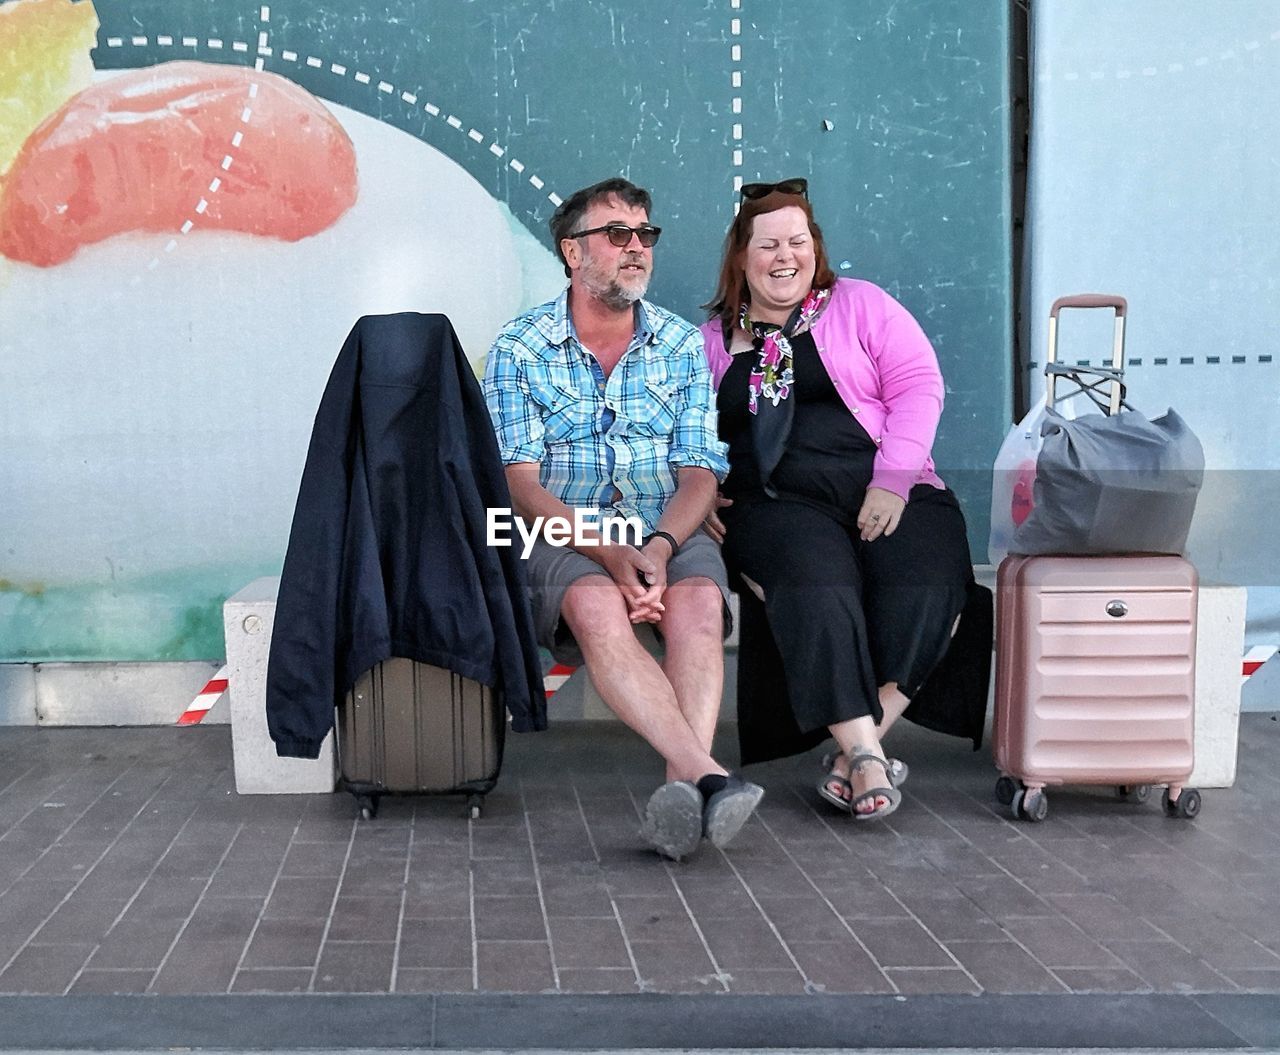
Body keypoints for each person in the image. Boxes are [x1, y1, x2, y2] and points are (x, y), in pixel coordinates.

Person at [483, 177, 764, 859]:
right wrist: (610, 554)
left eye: (645, 234)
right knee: (600, 608)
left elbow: (699, 470)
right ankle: (708, 775)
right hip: (564, 528)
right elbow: (519, 483)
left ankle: (686, 790)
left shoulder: (677, 344)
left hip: (661, 522)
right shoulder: (519, 347)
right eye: (617, 234)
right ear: (573, 253)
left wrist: (663, 547)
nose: (636, 247)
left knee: (697, 607)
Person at [700, 177, 975, 821]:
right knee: (816, 587)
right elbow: (688, 429)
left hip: (887, 484)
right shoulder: (712, 341)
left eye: (797, 241)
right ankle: (870, 758)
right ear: (742, 256)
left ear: (815, 250)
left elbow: (918, 385)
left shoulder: (860, 305)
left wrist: (893, 480)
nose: (783, 256)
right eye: (767, 244)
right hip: (776, 503)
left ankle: (855, 752)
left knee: (928, 584)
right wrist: (702, 485)